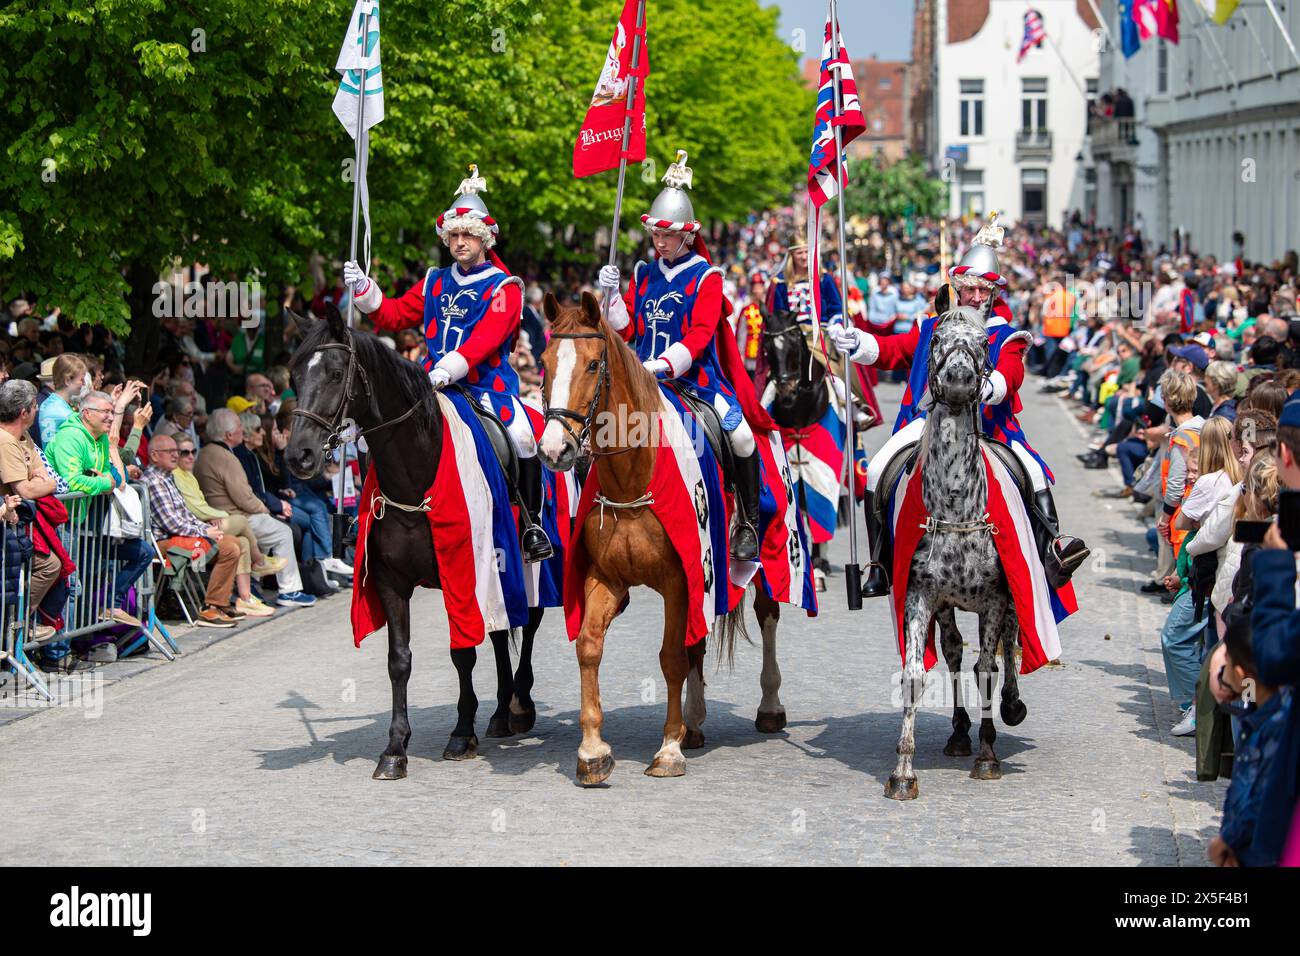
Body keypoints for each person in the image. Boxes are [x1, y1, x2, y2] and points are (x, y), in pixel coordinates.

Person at [830, 213, 1089, 597]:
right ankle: (880, 566)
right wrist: (858, 342)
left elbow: (1012, 371)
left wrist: (992, 386)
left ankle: (1051, 552)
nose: (978, 298)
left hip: (987, 425)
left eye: (985, 290)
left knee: (1033, 471)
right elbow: (892, 351)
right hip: (931, 418)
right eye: (971, 290)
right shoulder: (932, 327)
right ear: (958, 289)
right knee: (878, 469)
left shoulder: (1007, 333)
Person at [342, 164, 552, 562]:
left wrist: (444, 370)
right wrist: (364, 289)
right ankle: (368, 515)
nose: (459, 242)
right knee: (373, 433)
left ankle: (530, 523)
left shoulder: (505, 287)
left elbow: (482, 342)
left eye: (468, 235)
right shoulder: (435, 279)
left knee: (523, 436)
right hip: (428, 382)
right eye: (453, 235)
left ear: (484, 239)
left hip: (484, 387)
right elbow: (392, 315)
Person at [594, 151, 765, 559]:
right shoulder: (643, 273)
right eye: (656, 233)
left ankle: (747, 524)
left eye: (668, 234)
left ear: (687, 236)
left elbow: (702, 334)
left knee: (741, 438)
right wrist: (612, 296)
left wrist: (661, 365)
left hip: (693, 381)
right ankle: (598, 509)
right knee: (600, 428)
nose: (660, 240)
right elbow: (627, 328)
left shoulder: (707, 277)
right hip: (641, 380)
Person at [45, 390, 152, 653]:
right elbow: (71, 482)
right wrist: (104, 481)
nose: (110, 417)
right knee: (71, 586)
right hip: (63, 523)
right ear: (86, 413)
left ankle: (101, 616)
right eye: (105, 412)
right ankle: (58, 651)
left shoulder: (101, 438)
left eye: (111, 411)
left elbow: (117, 474)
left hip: (89, 524)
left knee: (142, 553)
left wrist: (106, 477)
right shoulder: (71, 437)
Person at [193, 408, 315, 607]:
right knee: (282, 532)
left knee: (266, 533)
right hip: (233, 515)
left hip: (222, 515)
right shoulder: (226, 458)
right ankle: (290, 591)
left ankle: (254, 584)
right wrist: (266, 509)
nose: (244, 430)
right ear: (229, 434)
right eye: (240, 427)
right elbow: (244, 497)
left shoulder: (205, 453)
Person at [140, 434, 243, 628]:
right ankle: (212, 608)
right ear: (154, 455)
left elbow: (185, 516)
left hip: (180, 537)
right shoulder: (154, 481)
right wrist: (204, 532)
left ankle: (217, 604)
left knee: (233, 543)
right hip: (164, 543)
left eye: (176, 451)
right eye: (170, 452)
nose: (175, 455)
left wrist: (206, 528)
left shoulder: (168, 478)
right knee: (229, 548)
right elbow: (172, 524)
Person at [171, 433, 277, 617]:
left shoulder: (189, 475)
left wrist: (210, 516)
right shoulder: (176, 475)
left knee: (243, 541)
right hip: (194, 531)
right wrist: (216, 515)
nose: (190, 456)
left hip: (204, 523)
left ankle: (245, 599)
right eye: (184, 452)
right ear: (175, 454)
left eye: (193, 451)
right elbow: (194, 508)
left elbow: (199, 507)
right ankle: (259, 561)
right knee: (241, 520)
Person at [0, 380, 59, 642]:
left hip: (18, 529)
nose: (37, 410)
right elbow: (25, 489)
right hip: (7, 528)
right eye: (35, 406)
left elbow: (48, 478)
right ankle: (13, 631)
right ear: (24, 412)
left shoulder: (23, 436)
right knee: (43, 567)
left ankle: (17, 628)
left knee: (50, 565)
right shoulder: (5, 442)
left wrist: (45, 482)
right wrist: (42, 483)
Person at [36, 353, 88, 447]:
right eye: (81, 379)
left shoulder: (51, 403)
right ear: (67, 380)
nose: (84, 384)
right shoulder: (63, 413)